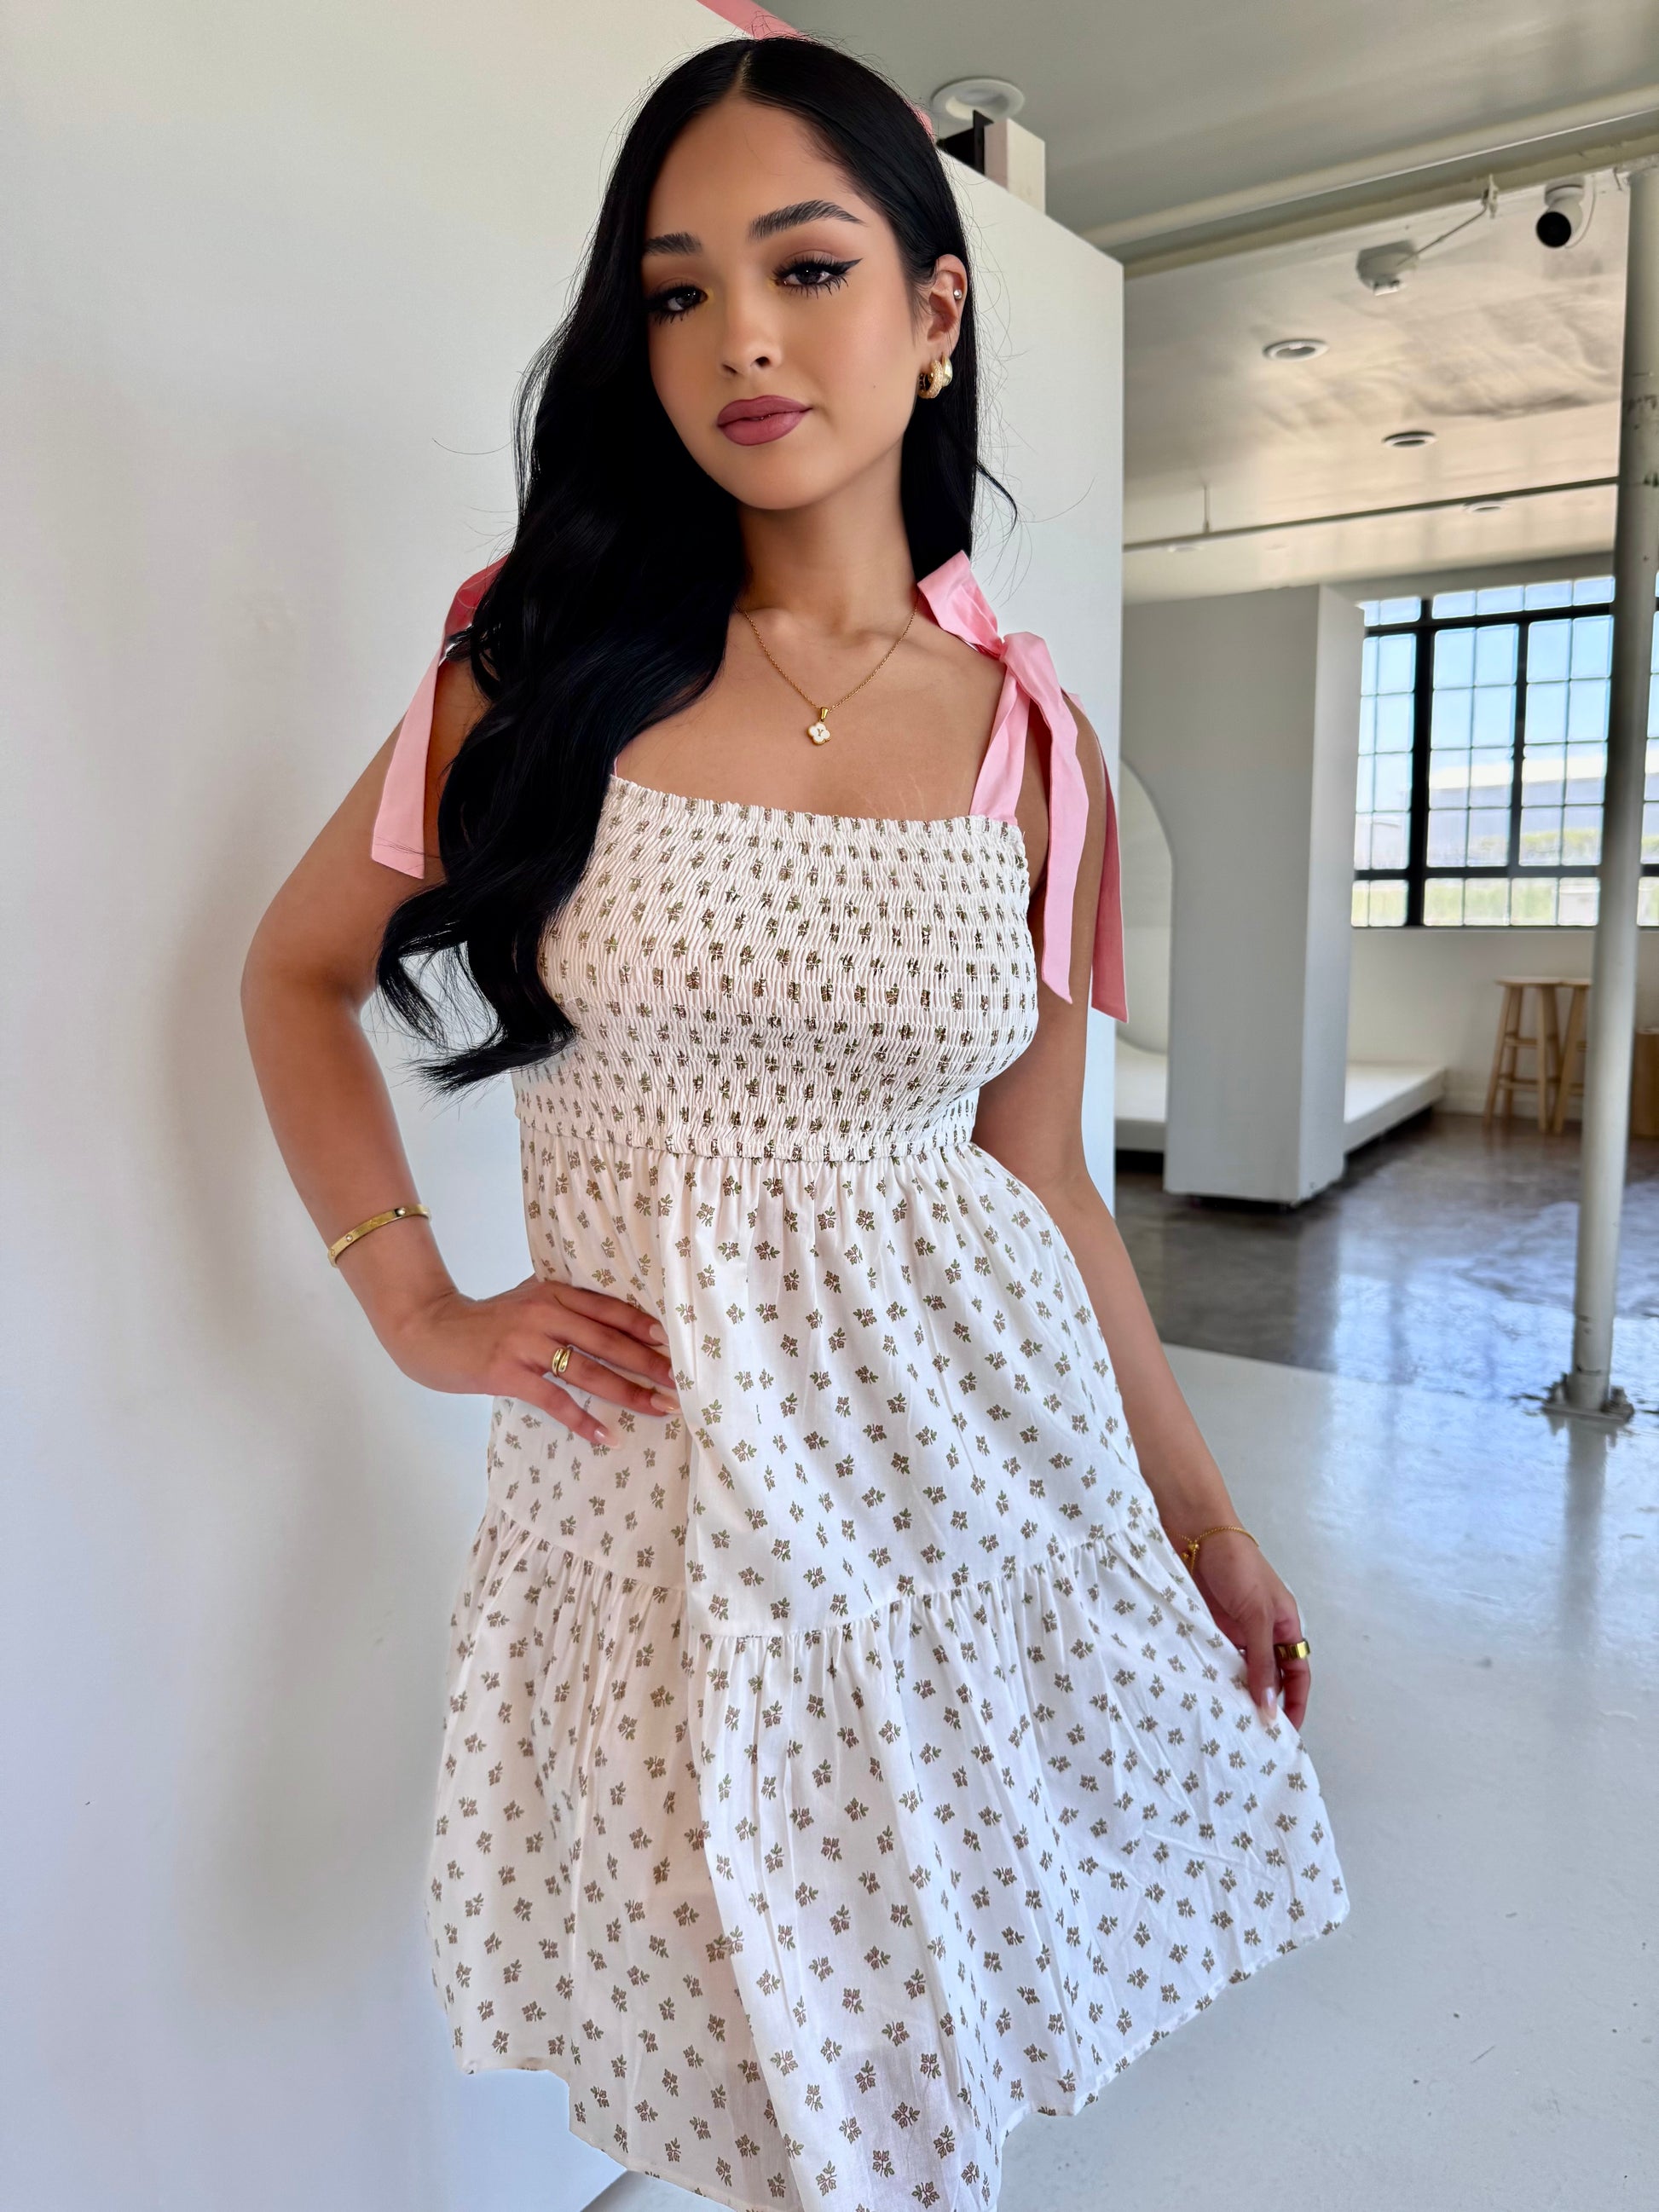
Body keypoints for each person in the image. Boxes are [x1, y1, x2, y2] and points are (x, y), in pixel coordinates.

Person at [241, 34, 1348, 2212]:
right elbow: (294, 976)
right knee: (731, 2039)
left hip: (960, 1493)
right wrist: (417, 1305)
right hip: (656, 1505)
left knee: (915, 2061)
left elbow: (1040, 1176)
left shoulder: (1032, 740)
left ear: (934, 315)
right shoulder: (530, 673)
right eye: (675, 291)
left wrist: (1206, 1521)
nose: (740, 335)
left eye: (806, 266)